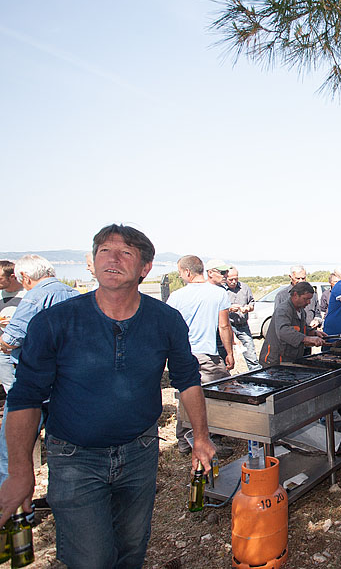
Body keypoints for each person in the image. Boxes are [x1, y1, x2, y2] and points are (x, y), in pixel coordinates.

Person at [0, 224, 215, 568]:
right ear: (93, 261)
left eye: (125, 253)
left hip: (140, 452)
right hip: (74, 458)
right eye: (104, 251)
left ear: (145, 268)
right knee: (92, 559)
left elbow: (187, 380)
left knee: (132, 549)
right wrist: (20, 471)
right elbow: (25, 398)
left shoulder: (166, 319)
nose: (112, 259)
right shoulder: (55, 323)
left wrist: (201, 438)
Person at [0, 255, 78, 487]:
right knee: (63, 445)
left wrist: (3, 342)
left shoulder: (35, 297)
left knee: (11, 449)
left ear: (24, 277)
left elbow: (13, 339)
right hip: (67, 381)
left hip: (34, 381)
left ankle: (12, 507)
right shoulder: (75, 295)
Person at [167, 255, 234, 456]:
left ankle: (184, 440)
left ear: (187, 272)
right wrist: (229, 352)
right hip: (207, 353)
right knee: (217, 394)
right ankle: (210, 438)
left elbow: (169, 328)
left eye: (180, 273)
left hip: (183, 353)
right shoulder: (218, 294)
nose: (180, 276)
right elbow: (224, 325)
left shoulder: (175, 297)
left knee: (187, 394)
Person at [260, 282, 326, 365]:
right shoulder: (283, 310)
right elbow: (284, 331)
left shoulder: (301, 311)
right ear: (295, 295)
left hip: (291, 357)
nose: (309, 302)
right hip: (276, 360)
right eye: (306, 299)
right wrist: (307, 339)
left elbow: (302, 328)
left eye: (310, 299)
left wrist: (314, 332)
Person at [225, 267, 261, 371]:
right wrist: (230, 309)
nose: (233, 282)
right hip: (228, 326)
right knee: (225, 356)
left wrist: (248, 308)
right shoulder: (221, 290)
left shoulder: (244, 288)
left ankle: (256, 375)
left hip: (243, 326)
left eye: (236, 279)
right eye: (230, 279)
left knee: (251, 355)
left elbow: (252, 303)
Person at [0, 260, 25, 395]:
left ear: (12, 276)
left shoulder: (26, 293)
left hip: (22, 347)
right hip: (2, 348)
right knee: (9, 388)